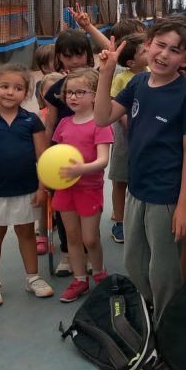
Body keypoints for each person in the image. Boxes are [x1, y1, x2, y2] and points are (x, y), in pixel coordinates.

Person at [94, 17, 186, 321]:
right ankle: (154, 313)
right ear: (148, 44)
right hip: (136, 190)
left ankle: (166, 328)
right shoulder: (138, 83)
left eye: (175, 50)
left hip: (166, 196)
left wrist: (184, 205)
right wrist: (105, 74)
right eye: (160, 45)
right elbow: (102, 117)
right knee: (134, 263)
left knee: (164, 271)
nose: (165, 54)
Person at [0, 64, 53, 306]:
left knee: (26, 233)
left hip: (28, 189)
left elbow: (43, 156)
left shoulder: (32, 121)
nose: (10, 92)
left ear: (26, 93)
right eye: (4, 86)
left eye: (17, 88)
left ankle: (32, 278)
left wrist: (42, 187)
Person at [51, 68, 113, 302]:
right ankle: (79, 280)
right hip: (65, 189)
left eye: (80, 92)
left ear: (95, 95)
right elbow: (55, 154)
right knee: (72, 238)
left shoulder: (100, 123)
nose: (73, 97)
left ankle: (99, 274)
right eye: (69, 92)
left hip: (89, 189)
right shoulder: (65, 123)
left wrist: (79, 170)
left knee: (90, 239)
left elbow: (102, 160)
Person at [42, 28, 96, 276]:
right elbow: (50, 124)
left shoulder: (96, 83)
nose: (75, 61)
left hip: (88, 156)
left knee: (87, 206)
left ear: (88, 54)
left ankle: (89, 251)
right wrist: (43, 155)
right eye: (68, 56)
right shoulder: (56, 91)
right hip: (60, 156)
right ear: (59, 58)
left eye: (80, 54)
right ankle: (67, 251)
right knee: (63, 205)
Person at [107, 36, 147, 245]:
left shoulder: (151, 74)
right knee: (120, 180)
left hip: (145, 135)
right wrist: (127, 122)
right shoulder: (122, 78)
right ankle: (120, 221)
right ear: (131, 62)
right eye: (143, 52)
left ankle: (140, 220)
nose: (148, 53)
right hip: (124, 138)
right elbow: (115, 101)